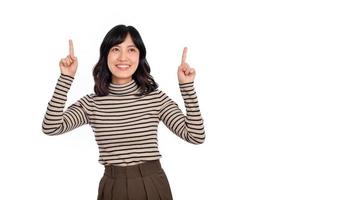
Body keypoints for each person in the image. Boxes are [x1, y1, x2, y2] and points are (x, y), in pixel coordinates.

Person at [41, 24, 206, 200]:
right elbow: (51, 127)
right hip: (113, 187)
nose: (123, 57)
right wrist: (66, 78)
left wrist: (187, 87)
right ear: (105, 55)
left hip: (152, 184)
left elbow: (195, 136)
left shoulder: (155, 98)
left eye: (131, 50)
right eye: (115, 49)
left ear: (140, 56)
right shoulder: (92, 103)